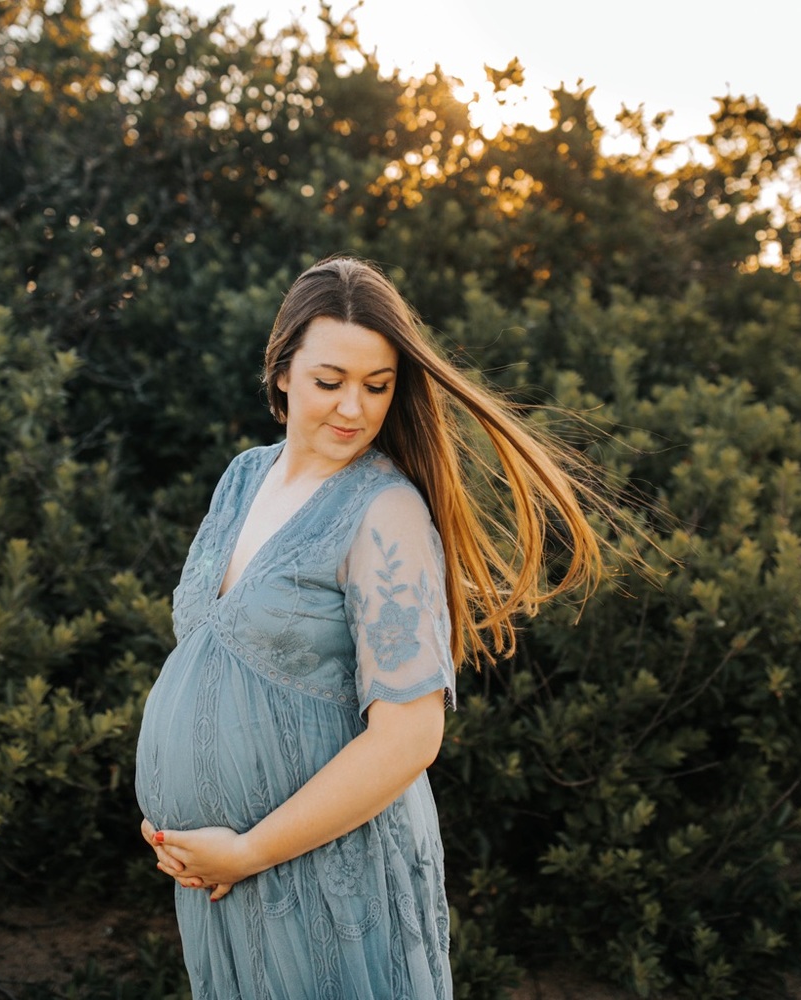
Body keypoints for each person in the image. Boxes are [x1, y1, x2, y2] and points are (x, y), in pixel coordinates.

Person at [135, 256, 604, 999]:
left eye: (377, 386)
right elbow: (207, 659)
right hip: (221, 883)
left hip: (324, 880)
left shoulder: (385, 514)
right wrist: (177, 823)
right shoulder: (243, 478)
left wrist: (248, 848)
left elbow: (409, 738)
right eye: (330, 382)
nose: (354, 409)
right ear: (283, 370)